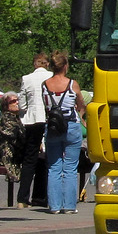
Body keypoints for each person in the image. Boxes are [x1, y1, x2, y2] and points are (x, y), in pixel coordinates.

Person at [43, 50, 85, 214]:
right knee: (70, 168)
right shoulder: (72, 84)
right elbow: (81, 103)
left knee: (54, 167)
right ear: (65, 66)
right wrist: (80, 113)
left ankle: (54, 206)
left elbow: (47, 105)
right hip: (71, 126)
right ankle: (69, 206)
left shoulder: (45, 85)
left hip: (52, 127)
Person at [16, 52, 53, 208]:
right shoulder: (52, 77)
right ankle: (44, 196)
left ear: (34, 64)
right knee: (50, 159)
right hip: (49, 119)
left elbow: (21, 104)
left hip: (31, 120)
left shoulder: (26, 79)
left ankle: (22, 199)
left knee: (29, 159)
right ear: (47, 64)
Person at [0, 92, 25, 182]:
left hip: (14, 156)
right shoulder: (7, 120)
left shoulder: (15, 118)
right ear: (6, 106)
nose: (17, 103)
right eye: (14, 101)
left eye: (18, 100)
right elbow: (16, 140)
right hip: (7, 159)